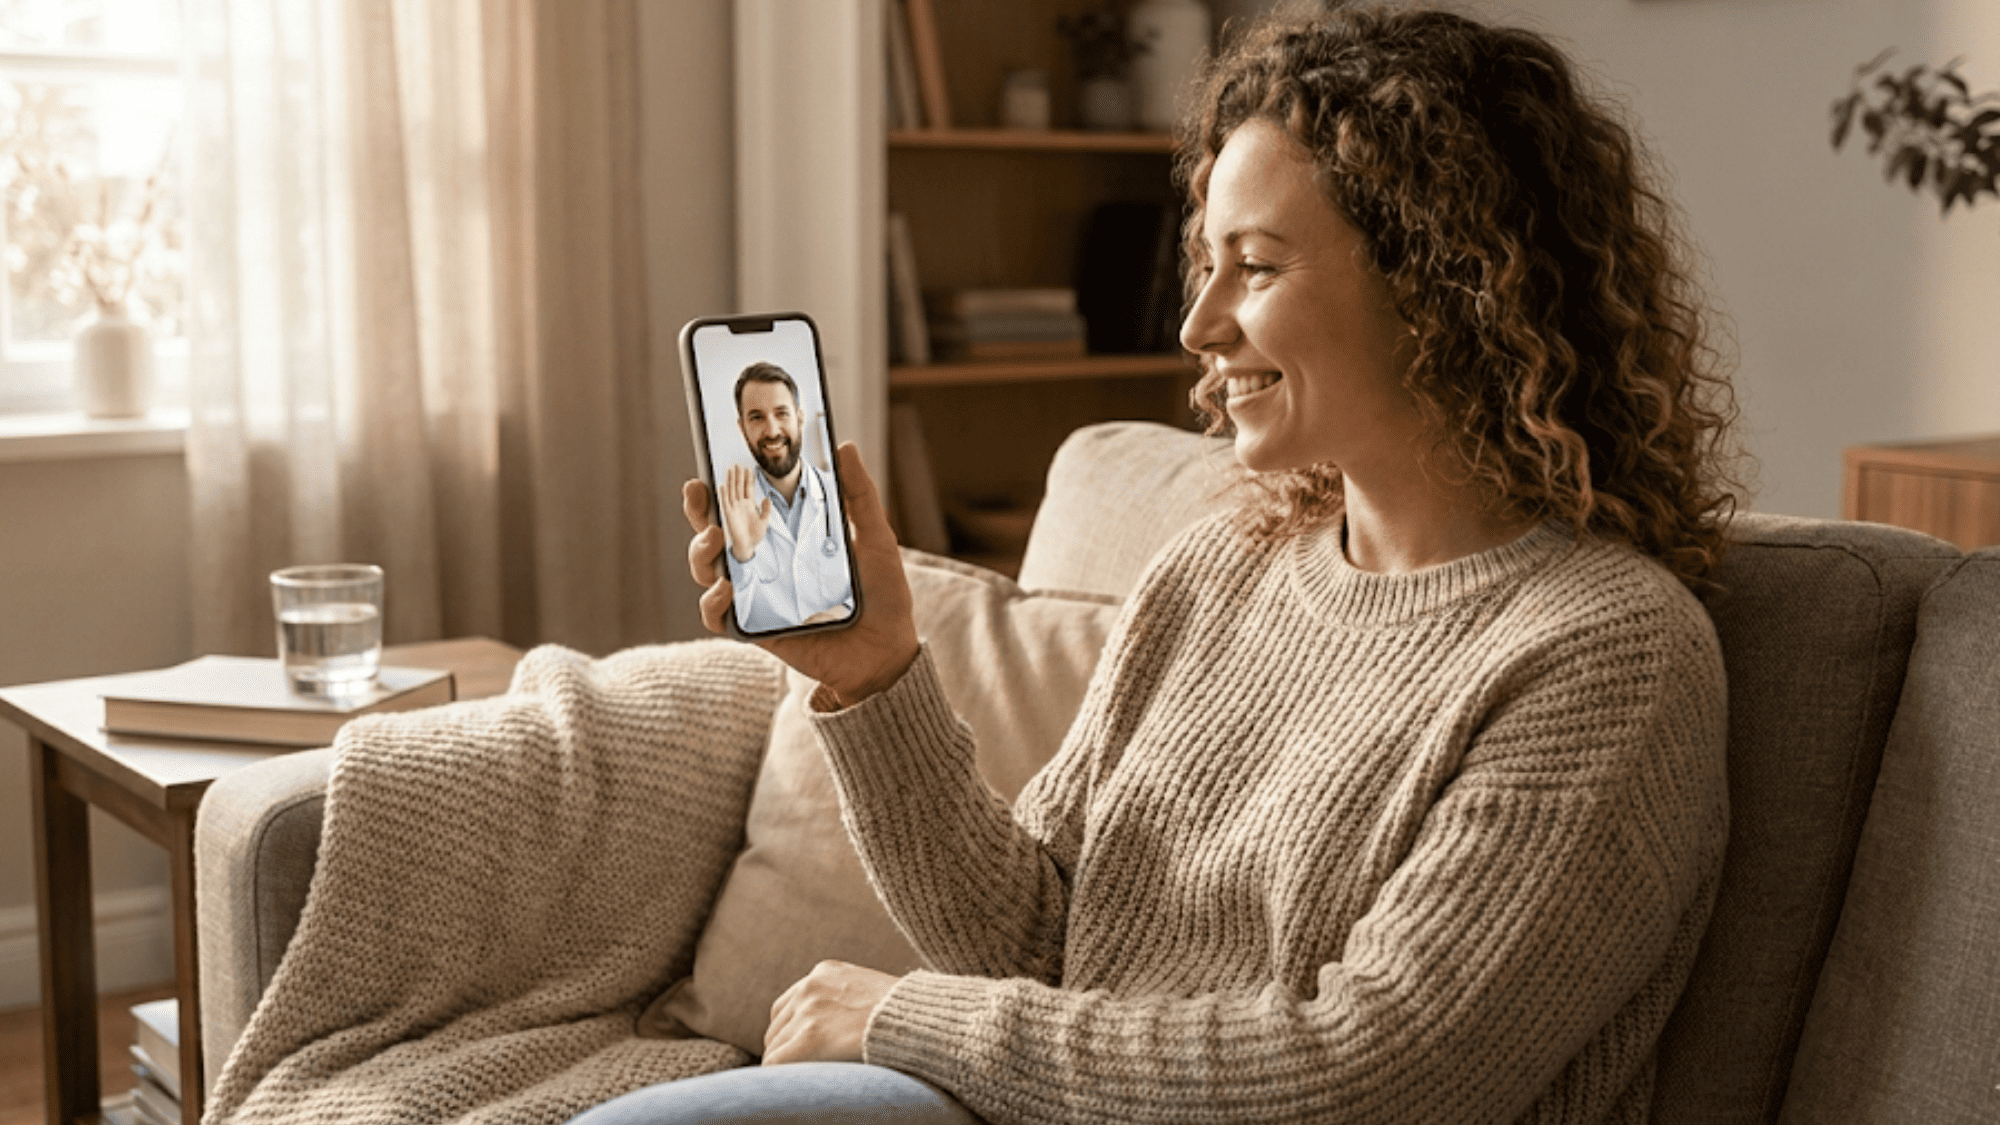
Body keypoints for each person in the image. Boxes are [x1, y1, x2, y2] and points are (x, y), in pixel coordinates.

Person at [583, 3, 1743, 1121]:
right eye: (1205, 262)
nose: (1197, 324)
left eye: (1257, 266)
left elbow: (1363, 1077)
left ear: (1444, 285)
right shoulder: (1215, 573)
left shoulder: (1602, 653)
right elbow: (1038, 940)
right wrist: (873, 676)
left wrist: (910, 1023)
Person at [717, 361, 854, 633]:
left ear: (800, 417)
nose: (772, 431)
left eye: (782, 413)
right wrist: (742, 553)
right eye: (756, 417)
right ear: (742, 426)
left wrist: (841, 612)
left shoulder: (842, 496)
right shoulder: (730, 510)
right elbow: (736, 622)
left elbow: (873, 582)